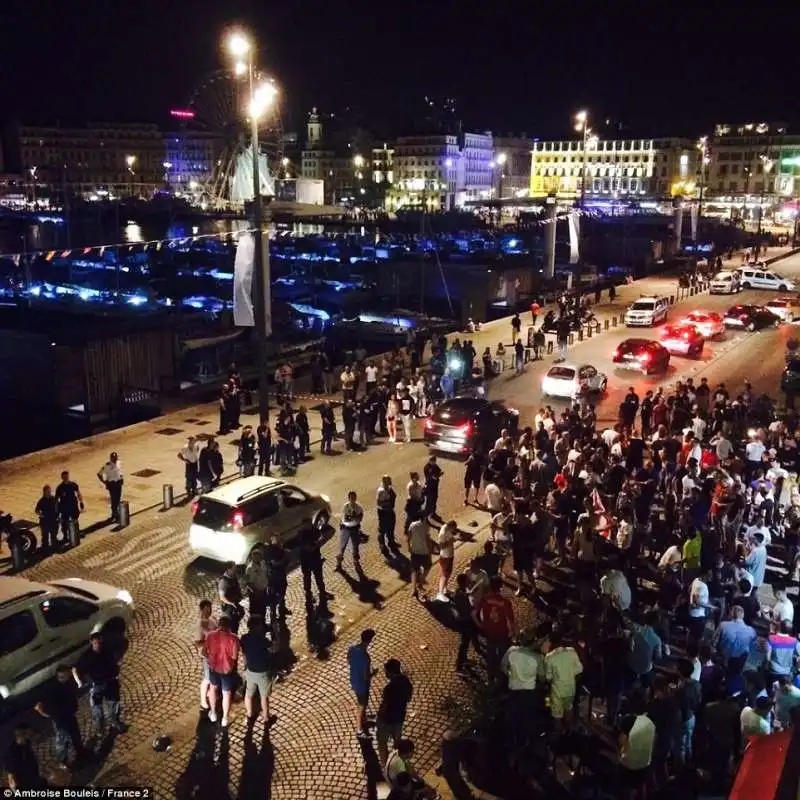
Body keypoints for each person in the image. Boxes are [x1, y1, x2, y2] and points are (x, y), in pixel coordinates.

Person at [72, 632, 123, 735]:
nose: (98, 645)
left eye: (99, 642)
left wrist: (116, 668)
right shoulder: (87, 656)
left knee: (114, 704)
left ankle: (114, 721)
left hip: (111, 682)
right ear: (91, 642)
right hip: (97, 685)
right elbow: (75, 669)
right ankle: (100, 728)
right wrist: (79, 682)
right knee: (97, 710)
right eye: (95, 643)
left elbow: (114, 659)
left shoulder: (107, 650)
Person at [35, 664, 86, 767]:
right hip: (61, 721)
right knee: (63, 741)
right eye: (68, 675)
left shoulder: (67, 683)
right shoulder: (53, 690)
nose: (70, 676)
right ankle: (63, 761)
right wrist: (48, 714)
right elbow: (49, 709)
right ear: (62, 676)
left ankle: (80, 753)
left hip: (70, 716)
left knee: (75, 736)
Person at [474, 576, 516, 681]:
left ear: (490, 587)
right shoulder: (506, 602)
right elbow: (511, 620)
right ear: (500, 587)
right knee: (503, 656)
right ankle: (503, 680)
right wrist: (514, 633)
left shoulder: (484, 599)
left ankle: (491, 678)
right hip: (502, 632)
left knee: (491, 655)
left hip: (489, 632)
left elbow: (474, 613)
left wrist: (480, 625)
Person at [240, 615, 277, 727]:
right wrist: (275, 633)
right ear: (257, 626)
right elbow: (274, 649)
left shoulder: (244, 638)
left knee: (248, 694)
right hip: (263, 672)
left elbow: (244, 652)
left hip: (250, 670)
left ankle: (249, 715)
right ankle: (266, 718)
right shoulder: (262, 640)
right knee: (264, 696)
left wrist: (245, 665)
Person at [204, 615, 241, 727]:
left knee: (213, 689)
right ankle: (225, 718)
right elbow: (234, 657)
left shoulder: (210, 636)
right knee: (226, 693)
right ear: (229, 626)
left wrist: (210, 657)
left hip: (213, 668)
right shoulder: (234, 639)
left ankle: (213, 713)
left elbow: (203, 651)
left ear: (219, 624)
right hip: (227, 670)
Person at [618, 690, 655, 798]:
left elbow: (622, 740)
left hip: (630, 764)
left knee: (628, 789)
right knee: (641, 785)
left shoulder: (629, 720)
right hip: (646, 762)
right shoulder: (651, 720)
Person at [376, 659, 414, 767]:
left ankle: (386, 765)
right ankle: (399, 763)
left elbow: (385, 706)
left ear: (391, 672)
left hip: (386, 721)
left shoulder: (389, 688)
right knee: (397, 743)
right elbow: (408, 698)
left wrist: (378, 719)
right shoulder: (406, 682)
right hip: (399, 719)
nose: (385, 674)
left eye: (386, 672)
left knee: (382, 744)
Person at [544, 630, 584, 732]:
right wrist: (569, 674)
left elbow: (548, 677)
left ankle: (558, 736)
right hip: (570, 688)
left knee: (557, 715)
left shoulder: (549, 657)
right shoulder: (571, 652)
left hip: (557, 690)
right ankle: (568, 733)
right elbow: (580, 669)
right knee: (569, 709)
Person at [348, 629, 376, 738]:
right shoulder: (365, 657)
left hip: (354, 680)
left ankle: (364, 720)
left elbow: (349, 661)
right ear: (370, 640)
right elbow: (366, 677)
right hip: (362, 685)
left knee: (362, 703)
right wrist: (373, 673)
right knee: (362, 706)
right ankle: (359, 729)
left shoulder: (352, 649)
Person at [298, 519, 330, 612]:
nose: (310, 525)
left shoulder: (314, 531)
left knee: (319, 577)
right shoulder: (301, 534)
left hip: (316, 559)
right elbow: (308, 547)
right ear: (304, 525)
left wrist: (319, 541)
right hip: (306, 560)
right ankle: (308, 594)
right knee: (307, 578)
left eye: (310, 524)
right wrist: (317, 544)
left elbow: (322, 537)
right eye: (307, 524)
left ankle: (322, 592)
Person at [3, 725, 43, 790]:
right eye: (29, 735)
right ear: (22, 736)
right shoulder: (12, 753)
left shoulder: (26, 744)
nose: (31, 737)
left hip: (34, 780)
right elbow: (11, 776)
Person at [195, 599, 217, 711]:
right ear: (202, 609)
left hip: (215, 653)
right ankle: (203, 701)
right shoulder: (200, 624)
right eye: (207, 609)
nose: (209, 611)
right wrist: (210, 641)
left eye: (210, 608)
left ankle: (211, 694)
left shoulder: (212, 619)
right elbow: (198, 643)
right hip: (207, 655)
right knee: (207, 678)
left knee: (214, 677)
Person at [406, 513, 433, 600]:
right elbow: (427, 540)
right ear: (424, 518)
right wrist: (430, 550)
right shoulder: (426, 527)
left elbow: (408, 537)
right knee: (428, 567)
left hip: (415, 552)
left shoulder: (412, 525)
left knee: (414, 571)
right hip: (424, 552)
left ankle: (414, 589)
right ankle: (421, 580)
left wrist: (409, 547)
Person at [336, 490, 364, 570]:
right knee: (342, 546)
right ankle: (339, 564)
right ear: (349, 498)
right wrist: (342, 524)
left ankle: (356, 561)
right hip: (346, 528)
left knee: (355, 545)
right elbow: (343, 517)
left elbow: (360, 518)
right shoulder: (346, 506)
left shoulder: (358, 507)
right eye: (351, 497)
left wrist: (352, 519)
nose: (353, 498)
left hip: (354, 528)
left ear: (356, 498)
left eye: (354, 497)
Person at [96, 451, 124, 523]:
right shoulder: (107, 466)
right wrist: (104, 482)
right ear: (111, 458)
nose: (115, 459)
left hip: (118, 483)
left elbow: (120, 472)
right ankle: (115, 515)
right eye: (113, 458)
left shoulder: (119, 463)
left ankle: (117, 514)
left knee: (118, 499)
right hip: (112, 484)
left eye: (116, 457)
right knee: (114, 500)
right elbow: (99, 474)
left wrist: (121, 478)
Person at [55, 470, 83, 540]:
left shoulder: (73, 484)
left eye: (67, 477)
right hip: (64, 508)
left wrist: (81, 502)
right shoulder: (60, 488)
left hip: (73, 506)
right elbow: (56, 499)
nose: (66, 478)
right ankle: (65, 536)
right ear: (62, 477)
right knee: (64, 523)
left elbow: (78, 493)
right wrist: (56, 510)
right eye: (64, 477)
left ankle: (76, 534)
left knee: (75, 521)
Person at [218, 562, 244, 635]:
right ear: (228, 569)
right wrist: (231, 603)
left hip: (235, 605)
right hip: (228, 608)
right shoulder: (223, 581)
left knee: (236, 623)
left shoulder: (234, 577)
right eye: (234, 568)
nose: (235, 569)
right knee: (230, 625)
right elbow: (222, 597)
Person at [376, 475, 398, 553]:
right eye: (389, 480)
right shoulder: (381, 491)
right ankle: (382, 545)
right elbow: (379, 503)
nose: (391, 481)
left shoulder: (389, 488)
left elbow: (394, 496)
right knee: (382, 529)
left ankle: (391, 542)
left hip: (390, 510)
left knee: (391, 527)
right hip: (383, 512)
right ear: (385, 481)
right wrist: (388, 503)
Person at [35, 484, 59, 552]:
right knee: (45, 537)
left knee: (53, 535)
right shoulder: (41, 501)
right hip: (45, 521)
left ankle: (54, 548)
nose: (49, 493)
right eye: (47, 492)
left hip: (53, 520)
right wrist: (41, 515)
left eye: (49, 491)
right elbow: (36, 510)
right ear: (44, 492)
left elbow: (57, 507)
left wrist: (58, 516)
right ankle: (45, 549)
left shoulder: (53, 498)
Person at [436, 520, 457, 601]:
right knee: (444, 575)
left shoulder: (447, 529)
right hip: (445, 556)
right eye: (454, 529)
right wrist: (450, 541)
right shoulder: (443, 533)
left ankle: (445, 589)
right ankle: (440, 593)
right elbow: (441, 546)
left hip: (449, 555)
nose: (454, 531)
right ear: (450, 527)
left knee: (448, 573)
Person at [423, 455, 443, 520]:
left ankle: (433, 513)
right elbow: (432, 477)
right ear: (430, 461)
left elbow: (439, 471)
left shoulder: (435, 466)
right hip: (429, 487)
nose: (434, 463)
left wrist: (438, 475)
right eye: (433, 461)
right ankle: (425, 517)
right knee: (429, 502)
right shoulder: (427, 467)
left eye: (435, 461)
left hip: (435, 486)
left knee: (434, 500)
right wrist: (437, 475)